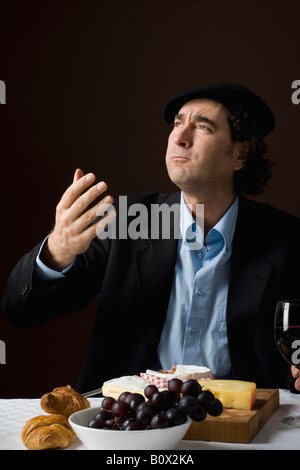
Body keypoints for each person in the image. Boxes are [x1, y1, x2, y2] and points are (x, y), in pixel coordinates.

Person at [2, 83, 300, 394]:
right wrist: (57, 250)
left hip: (244, 428)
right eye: (177, 123)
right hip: (130, 422)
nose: (179, 138)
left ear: (241, 154)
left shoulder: (287, 239)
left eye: (202, 127)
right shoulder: (127, 220)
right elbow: (22, 312)